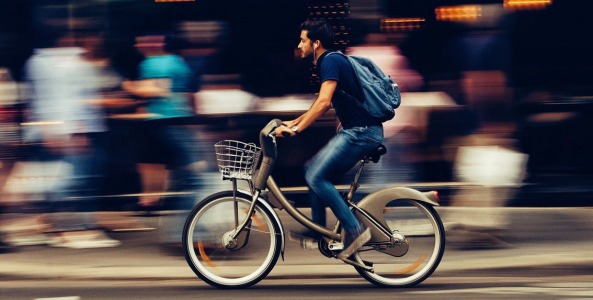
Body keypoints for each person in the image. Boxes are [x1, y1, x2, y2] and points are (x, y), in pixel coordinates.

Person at [275, 19, 384, 259]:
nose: (299, 44)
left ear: (316, 43)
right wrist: (294, 122)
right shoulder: (331, 61)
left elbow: (323, 102)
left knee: (315, 176)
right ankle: (318, 231)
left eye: (303, 40)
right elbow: (322, 105)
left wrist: (297, 130)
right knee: (311, 169)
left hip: (361, 132)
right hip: (357, 131)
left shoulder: (330, 60)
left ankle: (355, 230)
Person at [23, 29, 119, 248]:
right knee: (74, 180)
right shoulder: (53, 63)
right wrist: (73, 130)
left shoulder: (55, 61)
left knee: (86, 179)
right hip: (74, 129)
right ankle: (66, 228)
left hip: (84, 128)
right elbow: (58, 99)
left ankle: (81, 226)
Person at [122, 32, 201, 247]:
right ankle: (160, 209)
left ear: (155, 43)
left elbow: (156, 90)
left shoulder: (152, 63)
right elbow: (189, 94)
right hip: (180, 119)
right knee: (183, 171)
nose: (137, 44)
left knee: (187, 175)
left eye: (141, 40)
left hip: (162, 121)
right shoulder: (178, 62)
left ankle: (174, 224)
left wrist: (128, 86)